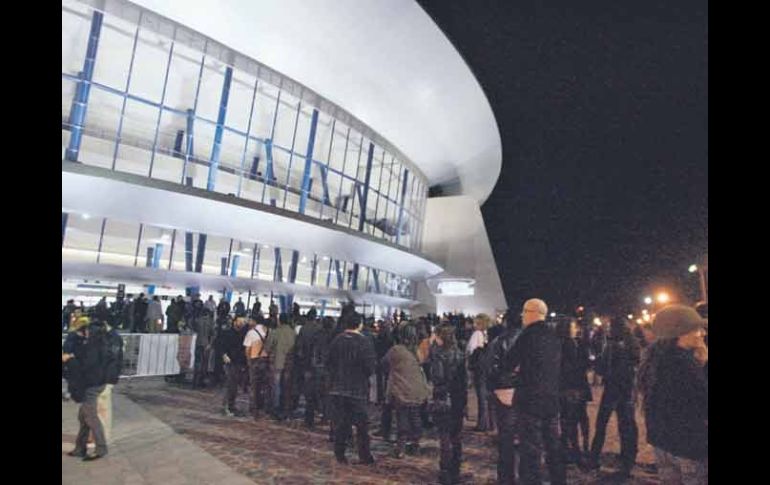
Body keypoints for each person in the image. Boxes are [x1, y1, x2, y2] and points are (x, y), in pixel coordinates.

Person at [638, 305, 708, 484]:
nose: (702, 333)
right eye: (696, 329)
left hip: (662, 444)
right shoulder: (684, 364)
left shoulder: (654, 359)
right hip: (689, 446)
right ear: (680, 333)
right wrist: (706, 363)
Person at [500, 299, 566, 485]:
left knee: (531, 451)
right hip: (551, 400)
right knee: (553, 447)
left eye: (524, 311)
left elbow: (508, 363)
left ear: (532, 313)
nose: (522, 315)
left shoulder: (527, 335)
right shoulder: (554, 337)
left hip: (530, 401)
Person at [587, 317, 640, 477]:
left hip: (613, 388)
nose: (608, 329)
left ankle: (595, 456)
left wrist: (596, 363)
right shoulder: (632, 342)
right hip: (626, 388)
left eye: (610, 327)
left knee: (602, 423)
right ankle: (628, 458)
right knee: (626, 425)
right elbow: (636, 361)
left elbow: (602, 367)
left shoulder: (611, 345)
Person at [326, 309, 377, 465]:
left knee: (341, 423)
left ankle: (340, 454)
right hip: (357, 390)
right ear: (360, 324)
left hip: (338, 387)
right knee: (362, 426)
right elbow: (370, 367)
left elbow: (329, 363)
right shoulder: (364, 342)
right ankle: (364, 456)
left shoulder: (337, 340)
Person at [483, 313, 523, 485]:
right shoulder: (531, 342)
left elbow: (489, 368)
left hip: (504, 393)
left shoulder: (499, 342)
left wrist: (493, 389)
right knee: (523, 439)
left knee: (506, 440)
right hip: (524, 394)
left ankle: (507, 478)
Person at [382, 323, 431, 458]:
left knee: (402, 419)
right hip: (418, 389)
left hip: (402, 390)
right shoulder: (418, 351)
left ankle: (401, 448)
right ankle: (415, 444)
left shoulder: (396, 350)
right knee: (415, 417)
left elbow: (384, 364)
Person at [64, 321, 110, 461]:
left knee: (90, 418)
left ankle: (101, 448)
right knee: (84, 418)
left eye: (88, 331)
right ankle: (80, 448)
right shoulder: (96, 344)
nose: (86, 333)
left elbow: (85, 367)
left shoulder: (94, 347)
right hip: (94, 383)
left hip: (92, 386)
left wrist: (69, 360)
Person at [428, 324, 468, 485]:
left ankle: (445, 472)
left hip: (443, 397)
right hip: (458, 398)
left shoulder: (438, 355)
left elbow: (438, 378)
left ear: (440, 336)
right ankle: (455, 469)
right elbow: (465, 380)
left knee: (444, 436)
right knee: (456, 436)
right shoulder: (460, 353)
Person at [557, 318, 592, 465]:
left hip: (564, 387)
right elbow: (581, 364)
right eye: (573, 326)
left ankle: (567, 448)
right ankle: (578, 450)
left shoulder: (557, 344)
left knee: (566, 419)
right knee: (578, 418)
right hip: (576, 386)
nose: (575, 329)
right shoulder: (573, 344)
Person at [265, 313, 296, 420]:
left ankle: (276, 408)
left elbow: (267, 348)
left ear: (280, 321)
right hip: (289, 364)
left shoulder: (275, 332)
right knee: (287, 386)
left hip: (276, 363)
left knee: (276, 387)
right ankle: (286, 409)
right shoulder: (293, 333)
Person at [466, 313, 492, 432]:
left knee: (481, 396)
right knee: (485, 396)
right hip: (486, 368)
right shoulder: (486, 334)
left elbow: (471, 350)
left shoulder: (476, 334)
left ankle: (482, 423)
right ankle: (488, 422)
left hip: (478, 368)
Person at [243, 316, 271, 419]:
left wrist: (248, 361)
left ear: (255, 321)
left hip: (254, 360)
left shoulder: (251, 332)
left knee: (254, 385)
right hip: (265, 360)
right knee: (264, 385)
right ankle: (262, 406)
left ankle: (254, 408)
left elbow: (247, 349)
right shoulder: (268, 331)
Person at [221, 317, 249, 416]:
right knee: (230, 385)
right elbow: (221, 345)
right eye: (239, 321)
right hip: (230, 361)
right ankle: (227, 406)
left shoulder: (243, 334)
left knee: (234, 385)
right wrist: (224, 355)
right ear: (234, 322)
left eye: (243, 322)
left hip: (238, 362)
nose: (241, 323)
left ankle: (231, 405)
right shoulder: (228, 333)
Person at [191, 305, 215, 388]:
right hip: (206, 344)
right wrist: (210, 344)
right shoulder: (211, 322)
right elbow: (213, 334)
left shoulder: (198, 320)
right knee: (204, 364)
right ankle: (201, 382)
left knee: (197, 363)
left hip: (198, 343)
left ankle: (194, 382)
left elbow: (193, 328)